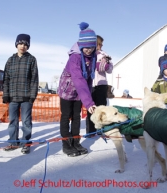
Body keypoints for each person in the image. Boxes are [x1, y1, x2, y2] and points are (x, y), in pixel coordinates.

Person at [57, 22, 97, 157]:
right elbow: (79, 79)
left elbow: (89, 78)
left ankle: (76, 142)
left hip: (79, 94)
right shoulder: (74, 58)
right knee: (65, 116)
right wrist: (89, 102)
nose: (89, 50)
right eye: (86, 47)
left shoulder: (92, 57)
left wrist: (88, 97)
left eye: (92, 47)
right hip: (67, 91)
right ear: (80, 45)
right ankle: (66, 143)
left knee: (76, 117)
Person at [2, 34, 39, 154]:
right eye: (20, 43)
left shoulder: (31, 59)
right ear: (16, 44)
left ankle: (25, 143)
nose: (22, 46)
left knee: (26, 121)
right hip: (13, 96)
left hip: (26, 97)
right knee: (13, 120)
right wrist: (5, 94)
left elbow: (34, 79)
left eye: (25, 44)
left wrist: (32, 96)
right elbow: (6, 79)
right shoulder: (10, 60)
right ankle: (13, 142)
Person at [86, 35, 113, 135]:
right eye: (99, 44)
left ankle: (102, 129)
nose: (100, 46)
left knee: (102, 107)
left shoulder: (104, 54)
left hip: (101, 84)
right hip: (90, 84)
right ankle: (91, 131)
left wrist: (106, 65)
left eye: (101, 44)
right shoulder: (89, 54)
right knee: (91, 108)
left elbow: (110, 70)